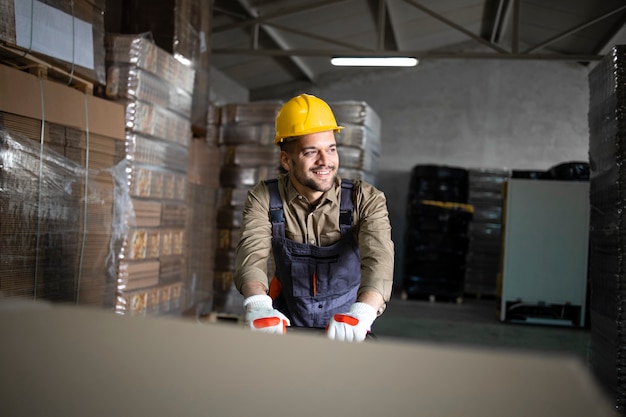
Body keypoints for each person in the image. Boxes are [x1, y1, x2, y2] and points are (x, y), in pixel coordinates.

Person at [233, 93, 394, 342]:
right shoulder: (264, 197)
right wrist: (258, 305)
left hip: (348, 322)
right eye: (311, 152)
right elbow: (251, 255)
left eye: (331, 149)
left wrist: (363, 313)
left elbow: (379, 260)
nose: (325, 161)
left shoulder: (365, 199)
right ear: (286, 160)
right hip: (285, 320)